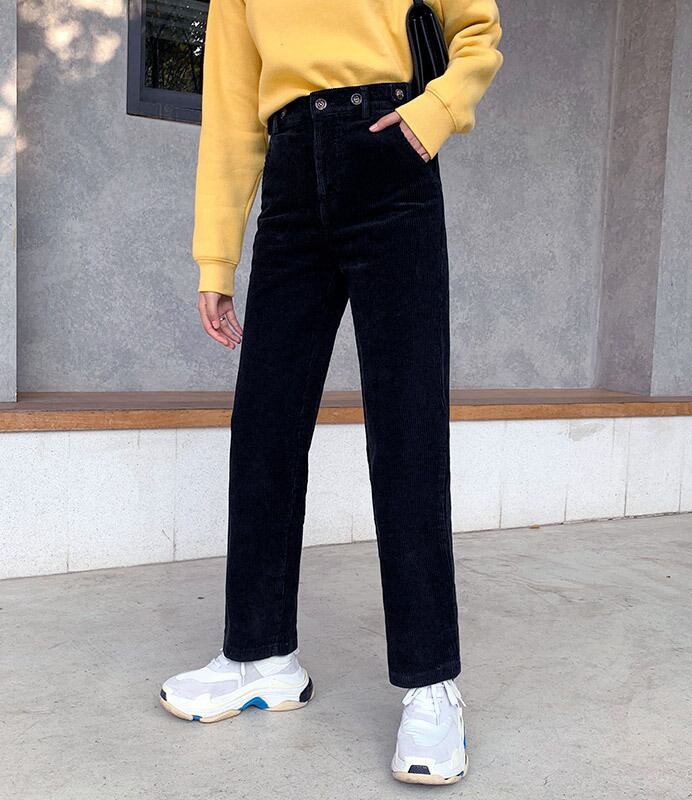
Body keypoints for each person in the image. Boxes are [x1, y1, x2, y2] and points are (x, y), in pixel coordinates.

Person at [159, 0, 503, 785]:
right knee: (265, 428)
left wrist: (434, 113)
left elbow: (477, 30)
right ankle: (260, 655)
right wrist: (216, 257)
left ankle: (431, 683)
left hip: (390, 152)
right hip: (289, 171)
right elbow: (230, 110)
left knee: (407, 429)